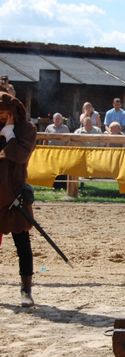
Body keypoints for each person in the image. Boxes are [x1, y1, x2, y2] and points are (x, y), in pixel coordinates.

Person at [0, 88, 38, 307]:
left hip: (15, 196)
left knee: (22, 243)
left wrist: (9, 134)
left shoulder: (27, 130)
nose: (1, 118)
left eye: (4, 114)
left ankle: (26, 290)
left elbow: (20, 155)